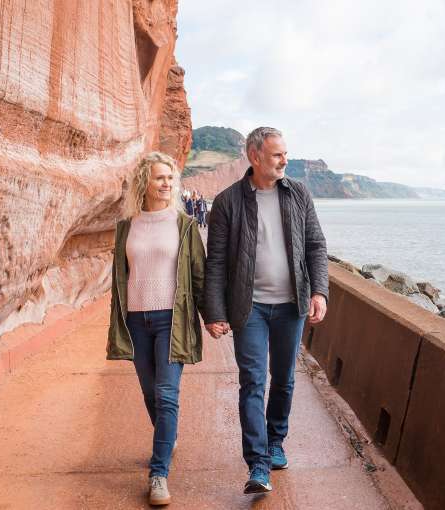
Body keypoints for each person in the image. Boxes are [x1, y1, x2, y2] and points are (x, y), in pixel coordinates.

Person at [203, 127, 329, 494]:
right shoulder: (228, 202)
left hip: (292, 306)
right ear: (254, 156)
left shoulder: (299, 194)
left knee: (285, 379)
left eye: (285, 154)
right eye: (277, 155)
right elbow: (216, 263)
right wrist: (214, 310)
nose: (284, 160)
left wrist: (319, 290)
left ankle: (276, 442)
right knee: (253, 381)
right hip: (250, 308)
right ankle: (258, 464)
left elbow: (316, 246)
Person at [106, 152, 206, 506]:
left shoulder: (184, 225)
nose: (167, 184)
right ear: (144, 183)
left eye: (170, 178)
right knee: (150, 393)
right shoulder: (126, 227)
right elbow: (122, 276)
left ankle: (158, 474)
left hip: (170, 321)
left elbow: (198, 275)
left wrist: (213, 316)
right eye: (160, 178)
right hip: (136, 321)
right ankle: (168, 434)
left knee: (166, 395)